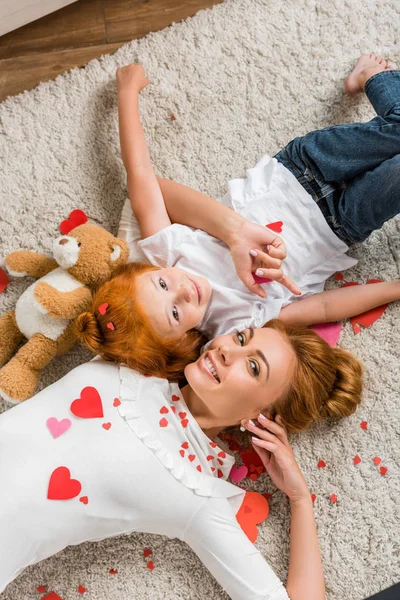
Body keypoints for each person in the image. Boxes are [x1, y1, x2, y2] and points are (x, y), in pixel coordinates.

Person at [76, 56, 400, 380]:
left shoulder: (169, 252)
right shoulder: (236, 331)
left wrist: (127, 92)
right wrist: (394, 289)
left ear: (146, 271)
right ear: (180, 341)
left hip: (302, 169)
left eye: (161, 283)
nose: (182, 290)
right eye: (175, 312)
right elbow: (323, 308)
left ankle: (371, 75)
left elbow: (140, 174)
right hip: (343, 225)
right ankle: (376, 79)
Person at [1, 319, 347, 600]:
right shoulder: (143, 353)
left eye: (254, 366)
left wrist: (300, 499)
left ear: (262, 416)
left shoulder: (196, 490)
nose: (228, 350)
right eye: (241, 336)